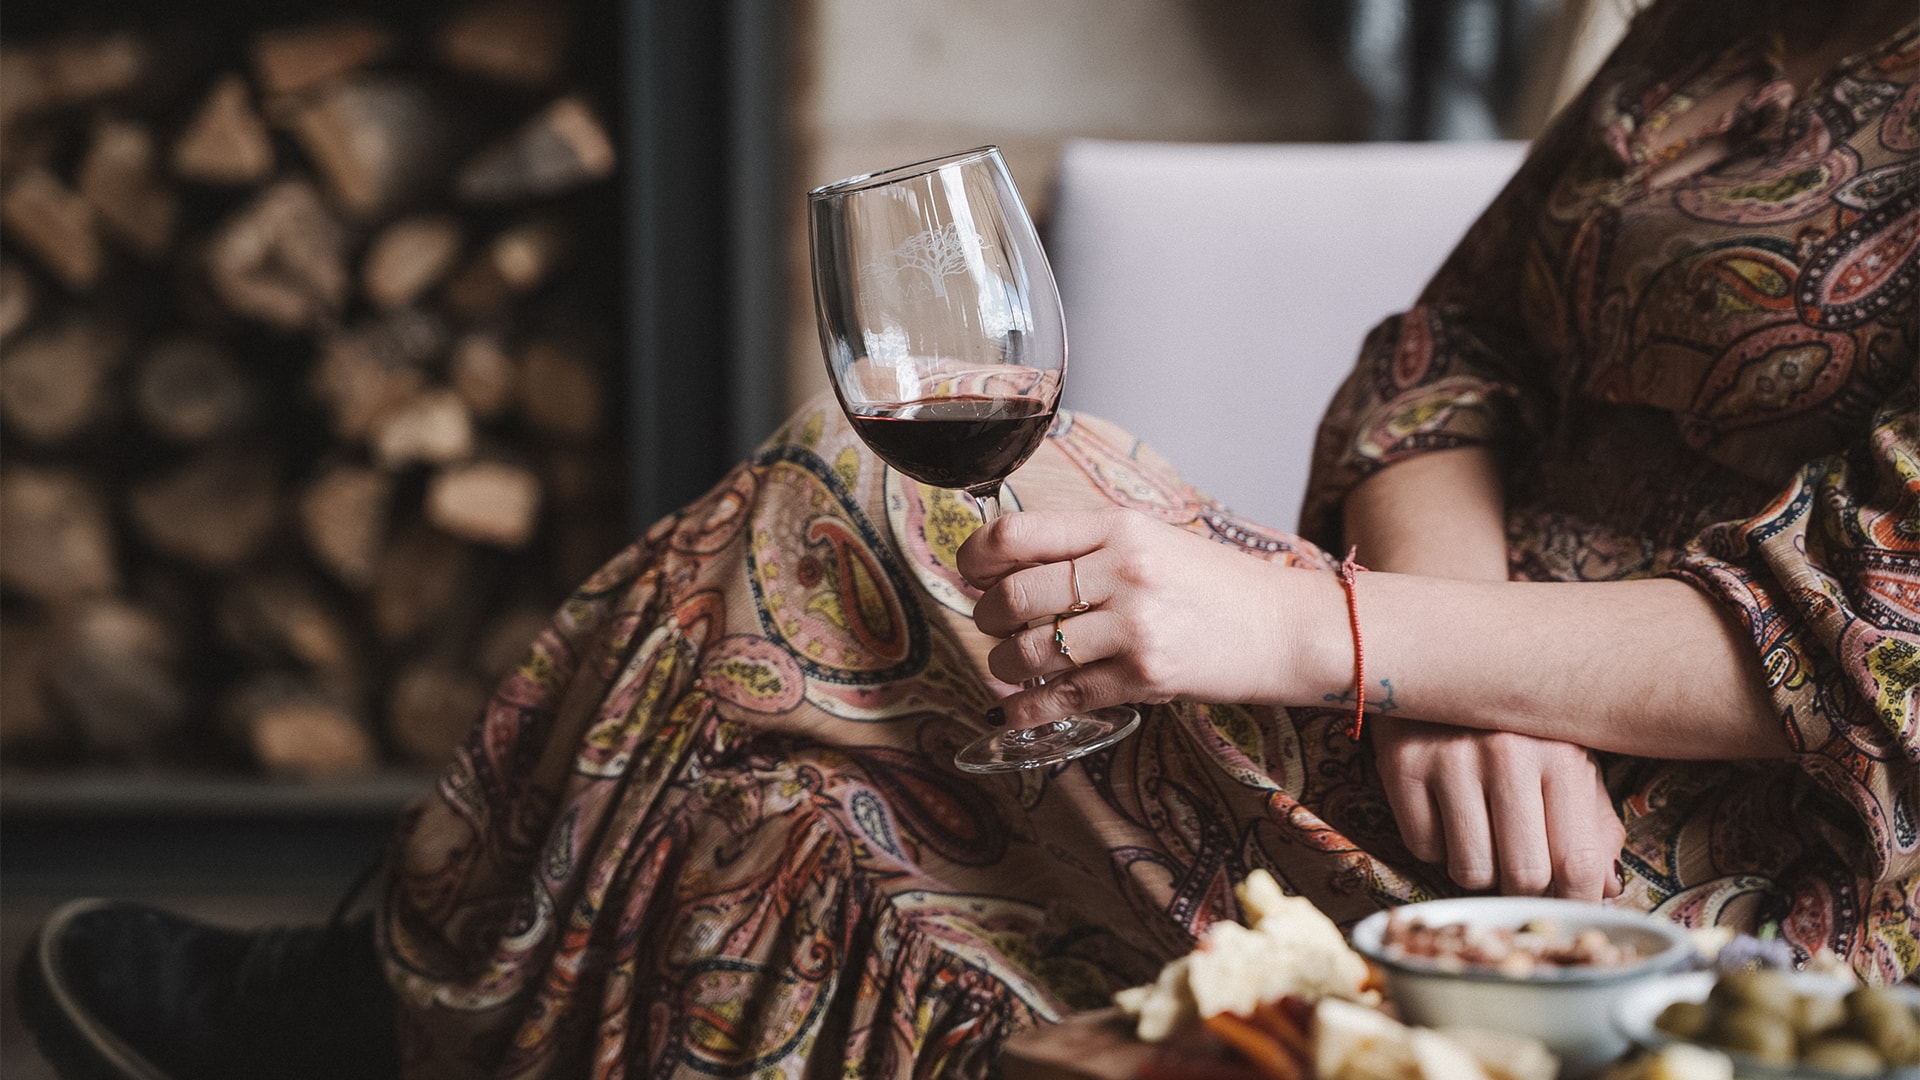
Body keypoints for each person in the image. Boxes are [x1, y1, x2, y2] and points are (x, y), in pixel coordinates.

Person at [19, 0, 1917, 1077]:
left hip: (1722, 869)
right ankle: (414, 1004)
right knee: (827, 617)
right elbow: (1452, 348)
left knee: (829, 544)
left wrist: (1338, 637)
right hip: (1453, 706)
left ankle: (396, 1009)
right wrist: (1440, 634)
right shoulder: (1726, 17)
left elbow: (1879, 628)